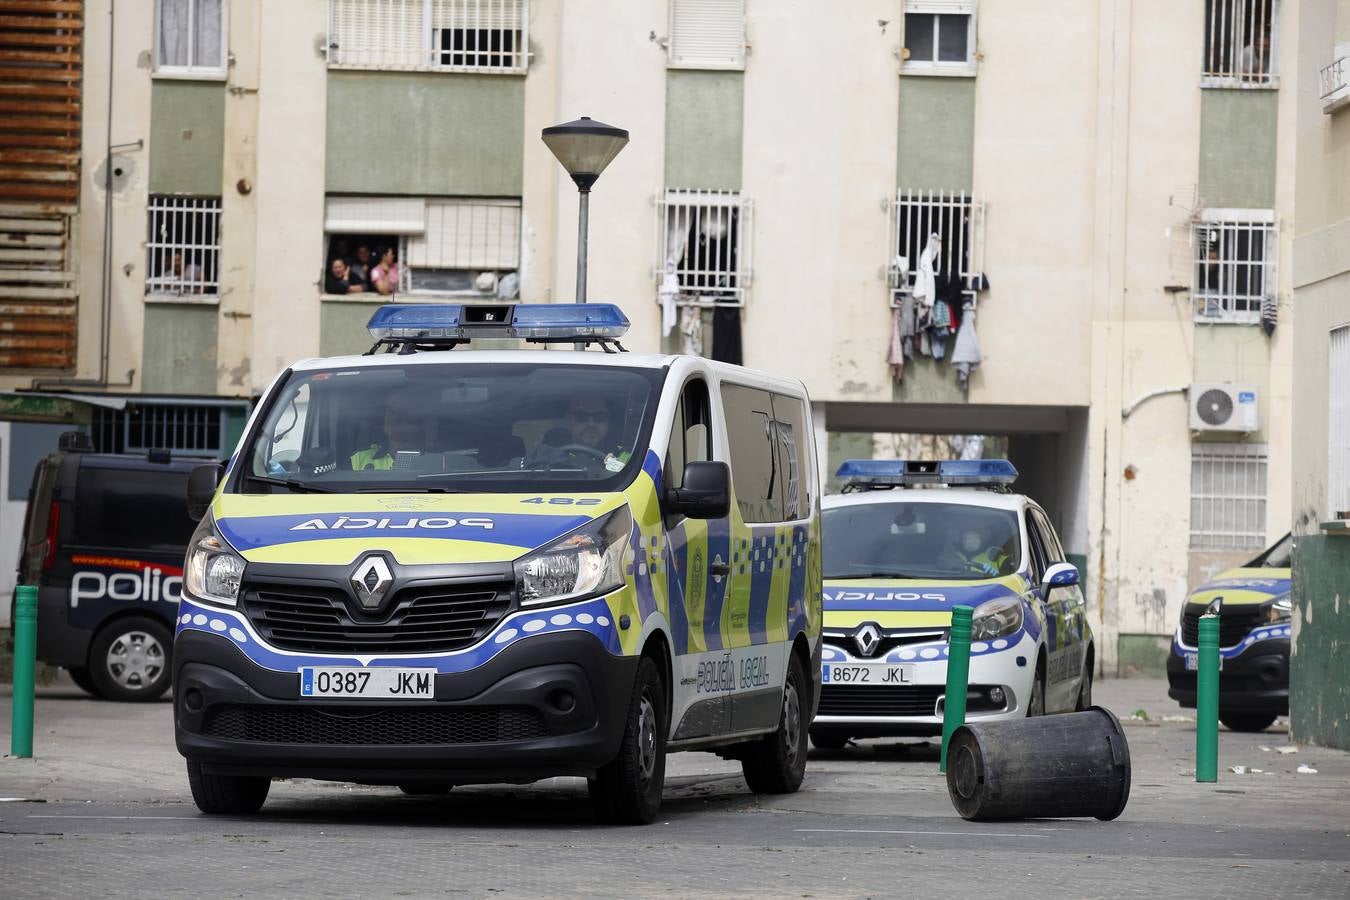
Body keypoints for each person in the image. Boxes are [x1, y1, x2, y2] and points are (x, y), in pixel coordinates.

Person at [350, 392, 434, 471]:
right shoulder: (358, 459)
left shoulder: (435, 461)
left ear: (418, 421)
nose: (395, 418)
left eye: (403, 412)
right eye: (391, 412)